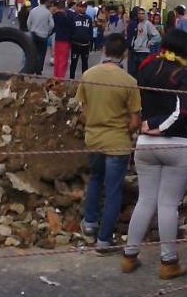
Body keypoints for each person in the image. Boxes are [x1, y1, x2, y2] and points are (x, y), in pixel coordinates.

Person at [121, 29, 187, 280]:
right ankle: (168, 262)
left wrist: (148, 125)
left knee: (145, 200)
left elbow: (138, 100)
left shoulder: (146, 66)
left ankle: (129, 256)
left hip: (145, 143)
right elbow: (184, 111)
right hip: (177, 143)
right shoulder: (183, 74)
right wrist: (159, 127)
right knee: (167, 204)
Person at [75, 33, 141, 254]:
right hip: (118, 143)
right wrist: (122, 129)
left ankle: (90, 223)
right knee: (113, 190)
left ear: (103, 50)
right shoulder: (129, 82)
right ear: (124, 54)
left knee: (95, 179)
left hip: (93, 139)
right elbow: (135, 121)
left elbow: (82, 113)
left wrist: (96, 121)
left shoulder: (88, 75)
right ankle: (104, 240)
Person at [128, 7, 160, 78]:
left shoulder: (147, 24)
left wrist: (150, 43)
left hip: (144, 51)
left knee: (142, 71)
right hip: (136, 50)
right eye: (139, 13)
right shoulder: (138, 24)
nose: (141, 15)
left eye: (142, 13)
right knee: (134, 71)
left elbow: (157, 36)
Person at [27, 0, 54, 75]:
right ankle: (39, 70)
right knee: (42, 53)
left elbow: (28, 23)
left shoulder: (33, 11)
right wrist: (48, 32)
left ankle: (32, 68)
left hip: (34, 34)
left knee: (33, 52)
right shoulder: (48, 12)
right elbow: (52, 25)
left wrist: (31, 30)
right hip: (43, 35)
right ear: (46, 1)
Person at [69, 1, 93, 79]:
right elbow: (71, 29)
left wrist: (90, 41)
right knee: (74, 63)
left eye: (84, 7)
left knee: (85, 63)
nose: (82, 8)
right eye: (81, 6)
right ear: (77, 7)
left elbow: (90, 30)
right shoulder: (74, 17)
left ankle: (84, 79)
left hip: (85, 45)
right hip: (75, 44)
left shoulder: (89, 18)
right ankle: (71, 79)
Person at [51, 0, 72, 79]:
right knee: (63, 61)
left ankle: (55, 76)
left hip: (57, 40)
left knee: (57, 59)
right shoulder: (67, 16)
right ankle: (60, 78)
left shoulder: (54, 16)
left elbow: (52, 29)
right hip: (65, 41)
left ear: (56, 7)